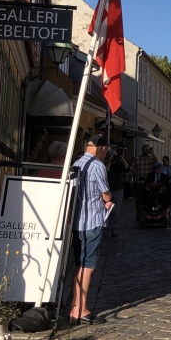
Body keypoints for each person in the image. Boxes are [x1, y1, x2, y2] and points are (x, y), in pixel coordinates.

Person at [69, 135, 112, 325]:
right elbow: (105, 194)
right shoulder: (97, 166)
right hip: (92, 221)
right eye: (106, 150)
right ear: (102, 148)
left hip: (77, 222)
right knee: (88, 267)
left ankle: (74, 307)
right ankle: (82, 309)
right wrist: (107, 200)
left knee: (79, 264)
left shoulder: (77, 163)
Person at [106, 148, 130, 238]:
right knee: (107, 211)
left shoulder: (119, 164)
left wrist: (122, 159)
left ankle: (114, 229)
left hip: (118, 190)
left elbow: (127, 169)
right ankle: (106, 229)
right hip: (108, 190)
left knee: (116, 212)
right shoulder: (105, 163)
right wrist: (109, 161)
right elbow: (106, 172)